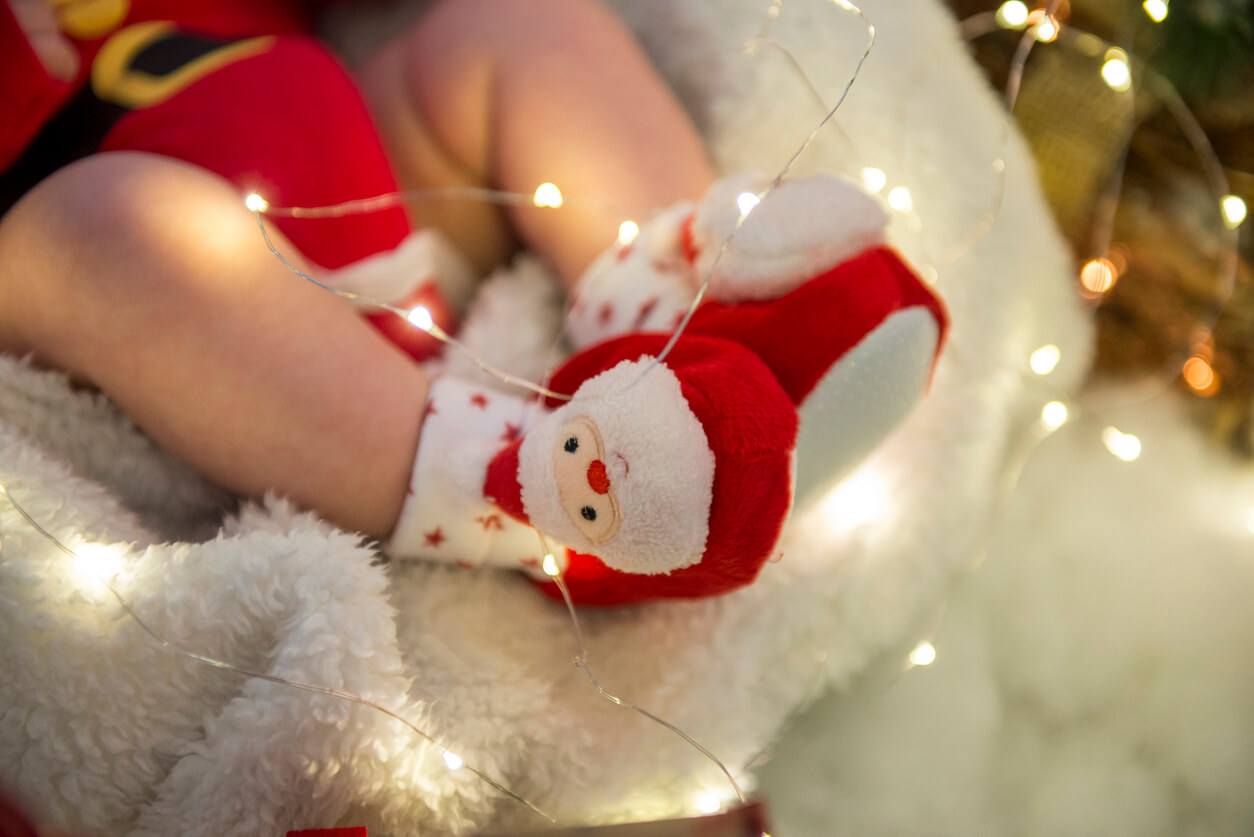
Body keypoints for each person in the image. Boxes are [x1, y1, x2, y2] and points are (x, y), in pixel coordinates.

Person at [0, 0, 714, 543]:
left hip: (356, 191)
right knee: (118, 228)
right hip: (148, 310)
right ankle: (537, 497)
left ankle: (721, 353)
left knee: (522, 24)